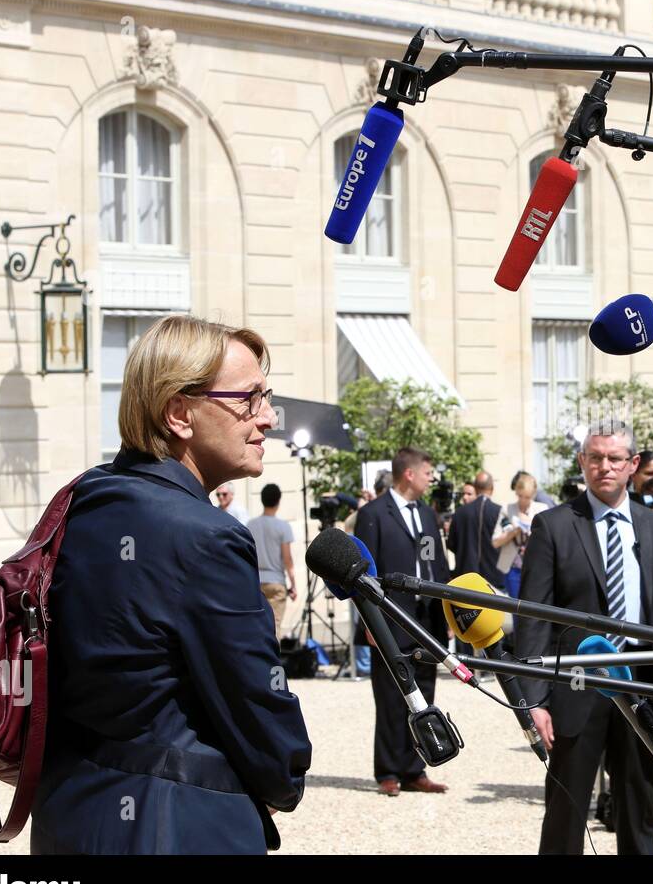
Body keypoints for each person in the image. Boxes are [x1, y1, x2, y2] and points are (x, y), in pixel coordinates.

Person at [32, 314, 311, 854]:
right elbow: (255, 697)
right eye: (249, 399)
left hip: (67, 812)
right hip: (175, 825)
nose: (269, 418)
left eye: (267, 396)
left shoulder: (83, 500)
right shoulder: (207, 537)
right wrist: (284, 777)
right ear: (180, 413)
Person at [516, 419, 653, 855]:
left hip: (641, 683)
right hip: (577, 685)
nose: (604, 467)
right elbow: (533, 620)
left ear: (633, 464)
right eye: (594, 458)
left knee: (640, 808)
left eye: (614, 458)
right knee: (566, 807)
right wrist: (534, 700)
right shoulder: (554, 525)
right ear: (582, 462)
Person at [355, 446, 452, 797]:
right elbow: (363, 574)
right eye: (428, 471)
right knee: (391, 696)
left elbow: (437, 566)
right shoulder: (373, 514)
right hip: (390, 621)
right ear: (409, 473)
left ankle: (414, 768)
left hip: (426, 621)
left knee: (424, 695)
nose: (432, 477)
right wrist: (370, 620)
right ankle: (388, 771)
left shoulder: (428, 514)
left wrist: (448, 611)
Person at [247, 483, 297, 634]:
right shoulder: (283, 526)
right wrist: (293, 584)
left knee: (257, 629)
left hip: (255, 582)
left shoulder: (250, 525)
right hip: (276, 582)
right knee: (274, 628)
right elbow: (287, 559)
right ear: (278, 500)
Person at [493, 472, 548, 599]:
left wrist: (530, 525)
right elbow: (495, 541)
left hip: (536, 567)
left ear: (533, 495)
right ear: (516, 492)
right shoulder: (507, 509)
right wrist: (514, 531)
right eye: (520, 496)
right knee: (516, 610)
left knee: (534, 609)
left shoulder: (542, 509)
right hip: (513, 567)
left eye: (527, 497)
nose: (523, 500)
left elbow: (548, 538)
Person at [447, 470, 505, 591]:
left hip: (465, 579)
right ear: (492, 488)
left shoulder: (459, 513)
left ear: (476, 488)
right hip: (493, 580)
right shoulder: (500, 512)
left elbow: (451, 544)